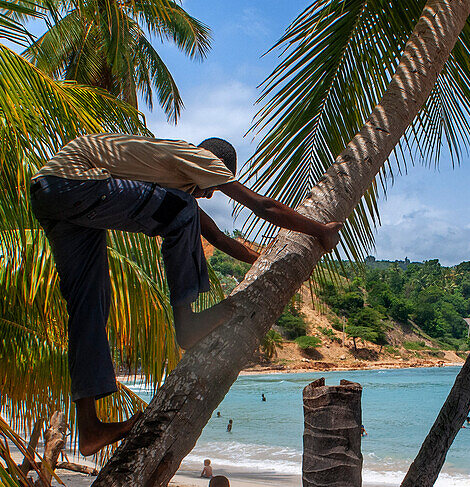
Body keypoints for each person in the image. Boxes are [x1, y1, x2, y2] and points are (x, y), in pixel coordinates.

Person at [29, 134, 342, 456]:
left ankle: (91, 429)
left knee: (88, 306)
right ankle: (187, 323)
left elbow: (218, 237)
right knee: (183, 208)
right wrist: (321, 231)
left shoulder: (164, 179)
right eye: (213, 186)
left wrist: (263, 260)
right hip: (74, 182)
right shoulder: (197, 157)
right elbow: (263, 206)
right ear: (215, 166)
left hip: (49, 194)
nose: (208, 195)